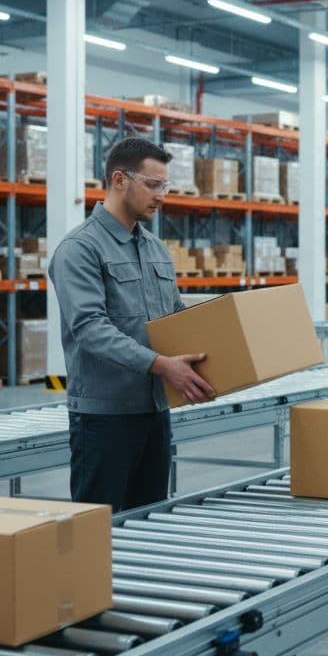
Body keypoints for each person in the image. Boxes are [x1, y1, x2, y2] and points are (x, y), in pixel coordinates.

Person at [48, 137, 216, 512]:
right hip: (104, 417)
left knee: (151, 521)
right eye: (154, 185)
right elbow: (90, 328)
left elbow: (174, 319)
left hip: (155, 412)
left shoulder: (156, 249)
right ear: (120, 180)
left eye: (165, 186)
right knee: (101, 530)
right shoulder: (80, 249)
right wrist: (161, 365)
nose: (162, 196)